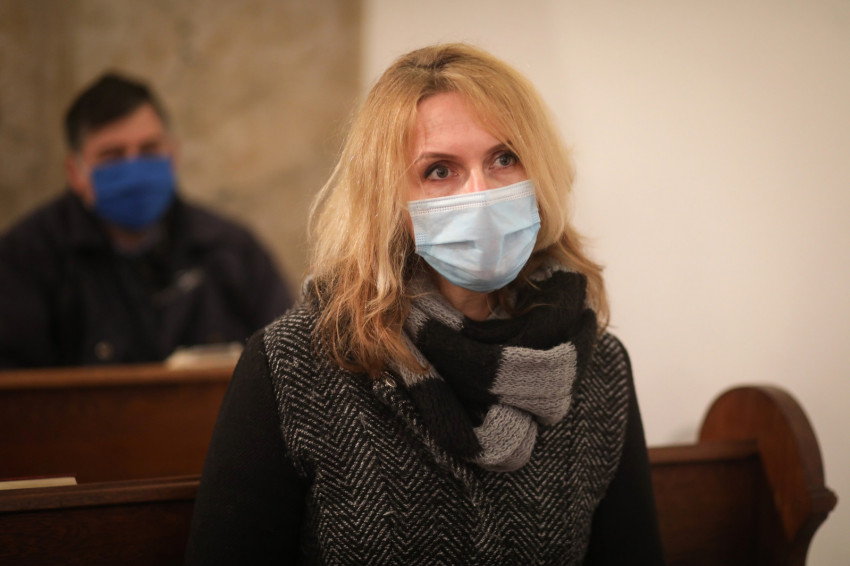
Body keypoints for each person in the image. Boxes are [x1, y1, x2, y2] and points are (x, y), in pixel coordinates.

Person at [185, 43, 665, 565]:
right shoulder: (294, 365)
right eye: (440, 170)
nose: (480, 194)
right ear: (388, 200)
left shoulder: (599, 368)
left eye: (505, 158)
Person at [0, 72, 292, 368]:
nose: (134, 169)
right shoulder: (26, 259)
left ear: (173, 156)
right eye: (113, 155)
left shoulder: (231, 250)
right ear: (75, 173)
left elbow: (288, 362)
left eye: (149, 149)